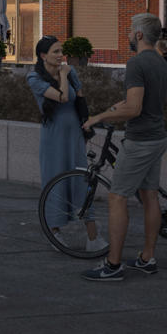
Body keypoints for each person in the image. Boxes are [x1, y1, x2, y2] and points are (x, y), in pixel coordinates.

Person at [82, 12, 167, 280]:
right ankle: (147, 258)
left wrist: (102, 117)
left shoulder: (136, 63)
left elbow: (133, 107)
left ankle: (112, 265)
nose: (127, 34)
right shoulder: (160, 62)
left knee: (117, 197)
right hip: (157, 137)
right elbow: (136, 103)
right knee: (149, 196)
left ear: (140, 35)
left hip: (140, 140)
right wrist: (102, 114)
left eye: (130, 30)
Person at [28, 36, 94, 244]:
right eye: (55, 52)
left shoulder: (70, 72)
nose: (60, 56)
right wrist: (63, 75)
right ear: (43, 55)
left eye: (61, 51)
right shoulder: (34, 78)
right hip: (53, 137)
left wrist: (87, 122)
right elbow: (62, 97)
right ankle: (55, 233)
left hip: (74, 133)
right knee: (54, 181)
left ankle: (94, 238)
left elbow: (80, 97)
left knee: (82, 180)